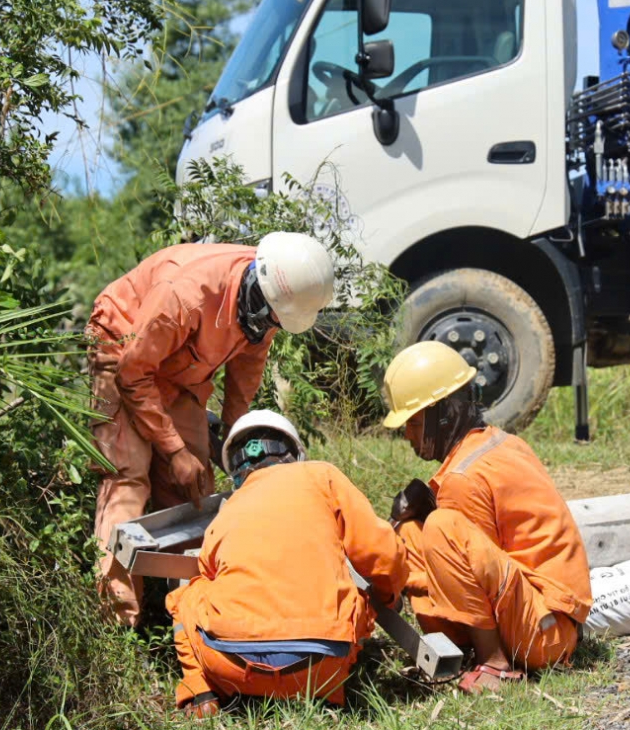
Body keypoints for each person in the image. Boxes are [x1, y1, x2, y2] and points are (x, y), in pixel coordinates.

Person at [88, 233, 336, 626]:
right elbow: (134, 372)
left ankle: (190, 611)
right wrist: (172, 449)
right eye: (269, 318)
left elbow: (245, 373)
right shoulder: (186, 294)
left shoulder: (269, 302)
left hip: (179, 371)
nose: (269, 328)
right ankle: (116, 627)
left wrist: (236, 443)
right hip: (125, 351)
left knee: (193, 486)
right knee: (128, 478)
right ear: (259, 288)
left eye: (275, 323)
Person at [381, 341, 592, 694]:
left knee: (440, 527)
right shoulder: (499, 444)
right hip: (547, 616)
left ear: (444, 413)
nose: (408, 435)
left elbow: (470, 560)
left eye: (414, 422)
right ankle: (459, 644)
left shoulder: (462, 479)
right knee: (415, 531)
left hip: (545, 631)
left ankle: (494, 664)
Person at [166, 410, 407, 718]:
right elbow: (381, 552)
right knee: (357, 600)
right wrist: (388, 596)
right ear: (294, 453)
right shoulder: (322, 476)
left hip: (230, 668)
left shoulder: (229, 509)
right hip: (322, 670)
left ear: (236, 471)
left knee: (186, 595)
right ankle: (326, 693)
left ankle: (199, 693)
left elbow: (208, 571)